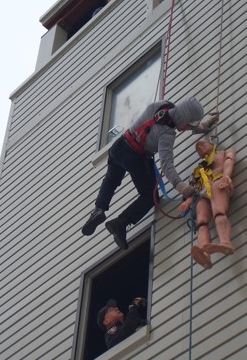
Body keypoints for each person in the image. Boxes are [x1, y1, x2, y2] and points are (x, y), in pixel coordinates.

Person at [82, 97, 219, 250]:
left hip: (119, 147)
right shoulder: (167, 135)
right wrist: (183, 188)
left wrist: (204, 125)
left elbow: (180, 120)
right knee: (149, 197)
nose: (187, 128)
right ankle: (121, 223)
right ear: (184, 119)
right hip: (135, 157)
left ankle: (99, 209)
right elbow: (167, 166)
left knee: (111, 179)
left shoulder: (163, 105)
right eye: (188, 125)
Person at [179, 137, 236, 269]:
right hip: (203, 192)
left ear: (212, 143)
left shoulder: (224, 152)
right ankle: (205, 255)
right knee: (201, 222)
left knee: (219, 211)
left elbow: (229, 161)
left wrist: (226, 176)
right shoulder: (199, 169)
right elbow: (194, 187)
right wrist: (189, 200)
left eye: (202, 144)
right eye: (198, 148)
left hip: (218, 182)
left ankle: (225, 242)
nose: (200, 147)